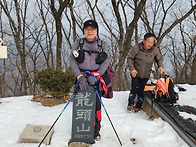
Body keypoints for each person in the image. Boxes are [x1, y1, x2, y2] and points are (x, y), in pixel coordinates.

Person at [69, 20, 110, 140]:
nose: (90, 31)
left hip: (96, 78)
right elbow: (72, 59)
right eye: (87, 29)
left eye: (92, 29)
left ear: (97, 31)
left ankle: (95, 129)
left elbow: (106, 61)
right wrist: (79, 76)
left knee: (96, 104)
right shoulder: (79, 43)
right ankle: (80, 129)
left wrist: (97, 76)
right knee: (81, 103)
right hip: (81, 77)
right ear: (83, 31)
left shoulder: (102, 44)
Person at [127, 33, 164, 112]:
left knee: (142, 89)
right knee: (135, 87)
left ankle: (138, 105)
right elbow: (129, 59)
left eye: (152, 42)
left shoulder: (154, 50)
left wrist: (160, 66)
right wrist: (132, 69)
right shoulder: (136, 48)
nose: (150, 44)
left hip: (146, 74)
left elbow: (159, 59)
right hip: (136, 72)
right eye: (148, 42)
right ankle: (130, 104)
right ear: (144, 41)